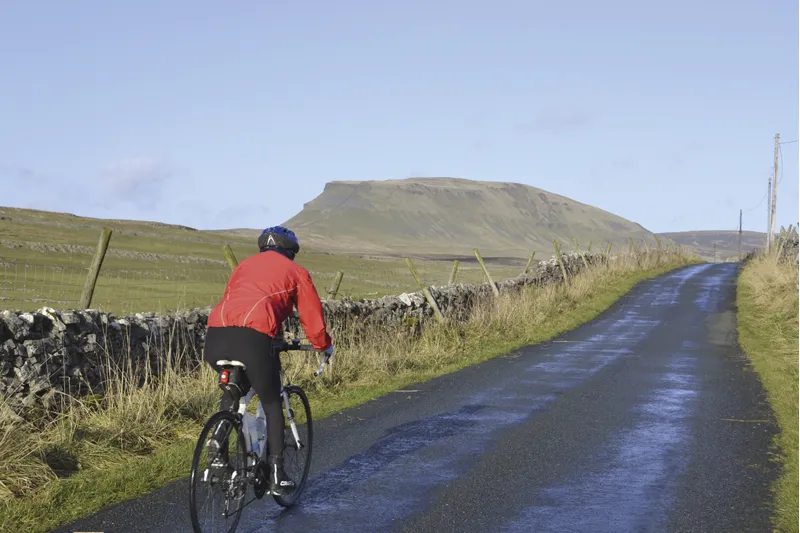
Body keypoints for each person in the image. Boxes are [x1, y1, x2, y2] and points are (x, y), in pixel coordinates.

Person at [202, 225, 333, 496]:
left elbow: (234, 299)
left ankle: (219, 441)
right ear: (290, 252)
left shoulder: (243, 267)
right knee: (272, 402)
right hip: (254, 338)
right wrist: (322, 346)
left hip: (215, 336)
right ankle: (276, 473)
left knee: (234, 391)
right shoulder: (296, 272)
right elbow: (312, 318)